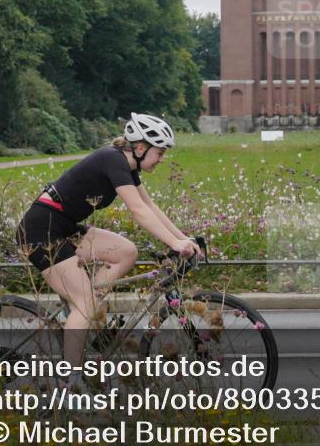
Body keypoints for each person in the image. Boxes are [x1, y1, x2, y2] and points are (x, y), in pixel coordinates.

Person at [16, 113, 201, 383]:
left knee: (126, 252)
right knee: (85, 302)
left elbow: (150, 207)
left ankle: (88, 311)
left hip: (63, 226)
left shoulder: (128, 166)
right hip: (40, 231)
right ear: (140, 148)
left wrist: (184, 239)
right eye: (159, 153)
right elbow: (137, 210)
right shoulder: (111, 159)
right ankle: (71, 387)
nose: (162, 159)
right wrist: (174, 244)